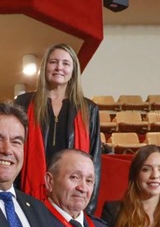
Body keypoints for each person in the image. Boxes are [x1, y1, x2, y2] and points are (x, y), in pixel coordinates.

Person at [14, 43, 101, 213]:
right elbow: (16, 150)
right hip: (29, 195)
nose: (59, 67)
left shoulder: (88, 109)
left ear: (73, 70)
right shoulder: (24, 103)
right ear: (45, 66)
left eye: (66, 63)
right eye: (53, 62)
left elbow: (94, 160)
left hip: (70, 196)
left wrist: (88, 209)